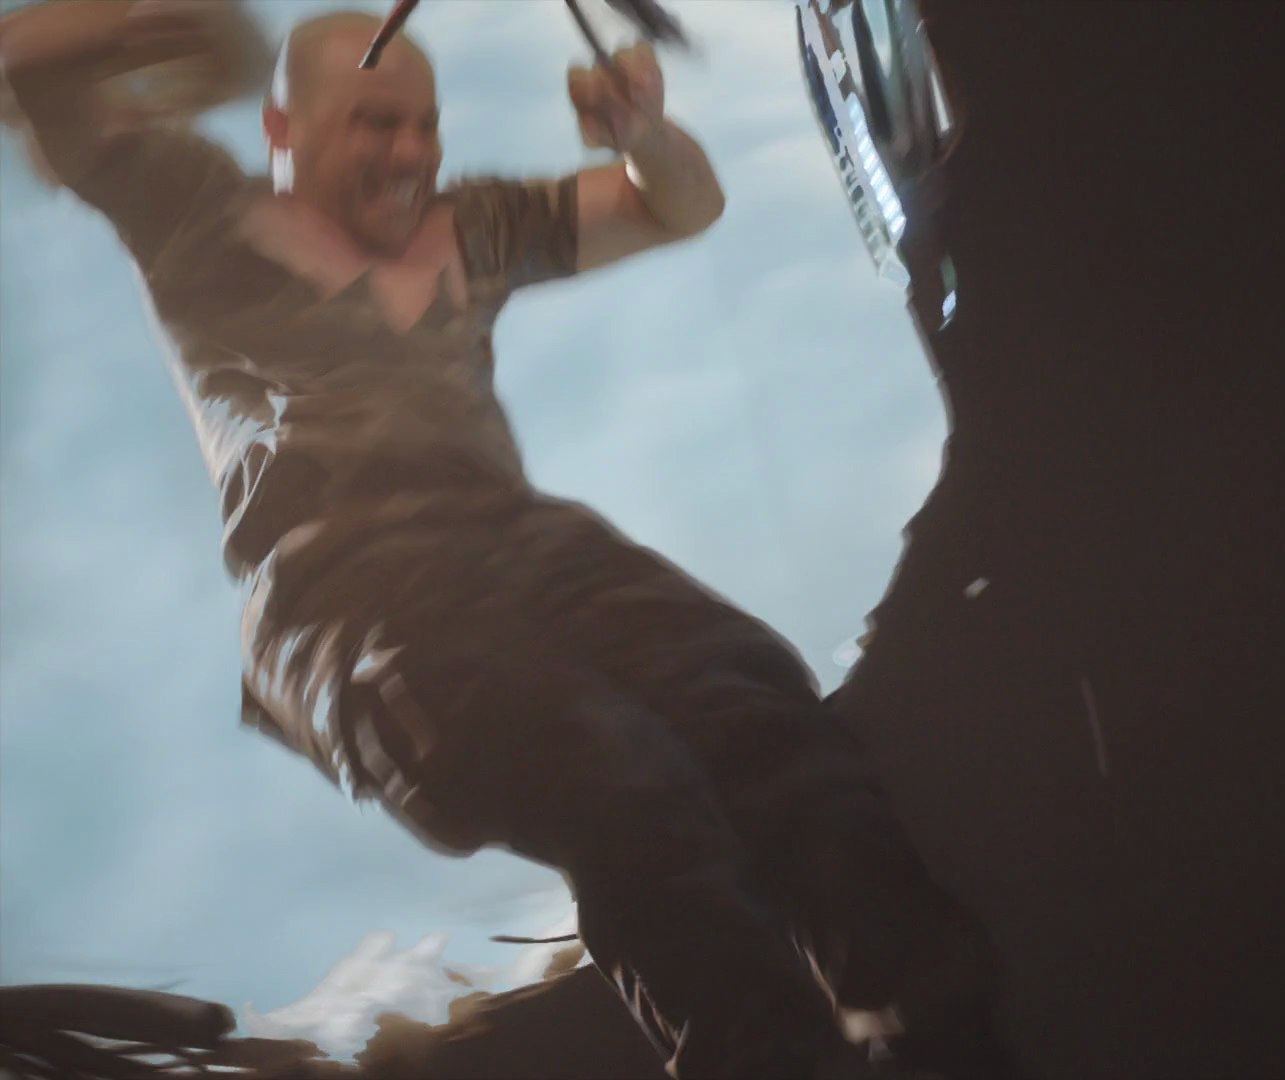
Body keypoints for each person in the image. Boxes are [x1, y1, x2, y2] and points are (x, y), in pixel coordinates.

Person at [0, 3, 1003, 1077]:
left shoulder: (471, 226)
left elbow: (680, 204)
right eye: (376, 124)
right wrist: (168, 24)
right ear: (284, 131)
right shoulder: (195, 210)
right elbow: (26, 65)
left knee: (757, 702)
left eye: (425, 126)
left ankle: (938, 1033)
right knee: (611, 774)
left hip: (530, 551)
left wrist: (641, 135)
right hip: (346, 592)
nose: (409, 154)